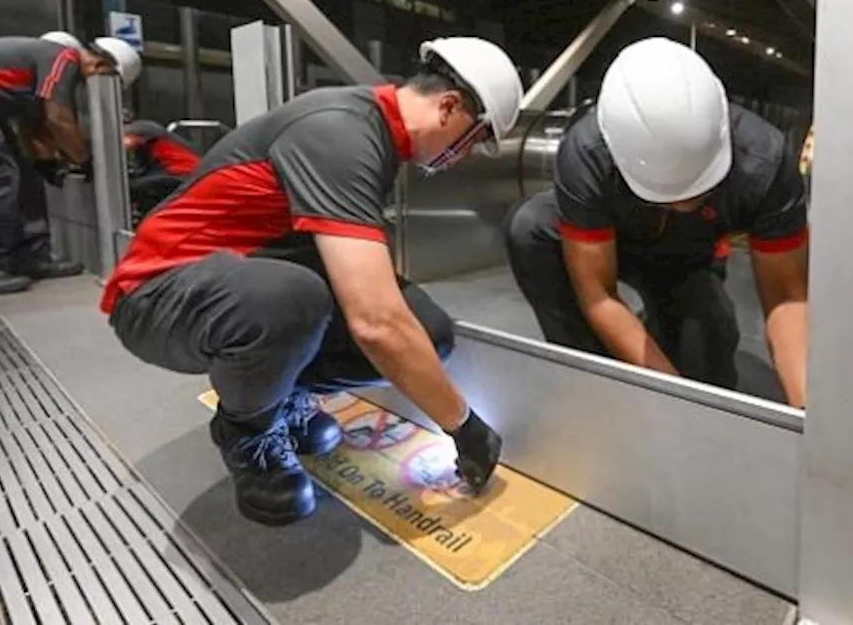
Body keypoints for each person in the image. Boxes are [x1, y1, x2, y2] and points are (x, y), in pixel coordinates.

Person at [101, 37, 524, 526]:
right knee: (294, 300)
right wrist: (463, 425)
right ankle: (247, 428)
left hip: (233, 275)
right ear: (449, 107)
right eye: (474, 138)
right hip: (155, 293)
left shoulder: (374, 135)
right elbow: (376, 322)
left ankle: (281, 396)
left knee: (428, 331)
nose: (464, 155)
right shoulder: (342, 134)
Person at [504, 37, 810, 405]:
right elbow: (599, 296)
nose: (683, 202)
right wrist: (669, 396)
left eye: (697, 189)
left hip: (688, 259)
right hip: (610, 243)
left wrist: (806, 413)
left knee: (707, 359)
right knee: (529, 225)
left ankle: (662, 322)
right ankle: (591, 382)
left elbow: (786, 298)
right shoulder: (586, 154)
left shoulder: (766, 160)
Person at [0, 32, 142, 297]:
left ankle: (31, 256)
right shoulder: (63, 58)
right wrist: (86, 160)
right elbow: (58, 119)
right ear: (101, 66)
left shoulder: (42, 68)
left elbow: (32, 127)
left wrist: (44, 164)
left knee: (21, 174)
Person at [121, 116, 202, 219]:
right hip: (173, 172)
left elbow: (129, 139)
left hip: (179, 174)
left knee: (131, 188)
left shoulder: (145, 127)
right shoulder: (146, 147)